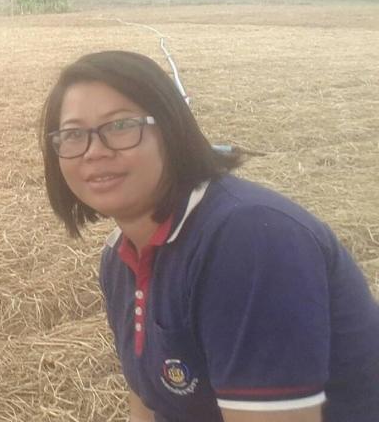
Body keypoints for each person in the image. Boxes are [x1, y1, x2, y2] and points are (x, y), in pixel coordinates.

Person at [40, 51, 379, 422]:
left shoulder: (248, 241)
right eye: (73, 135)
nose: (94, 151)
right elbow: (147, 406)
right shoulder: (119, 258)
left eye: (120, 126)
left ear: (171, 130)